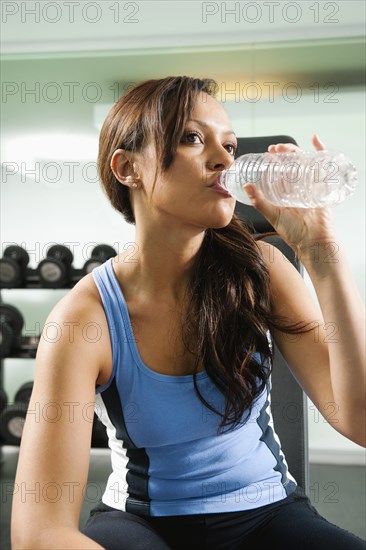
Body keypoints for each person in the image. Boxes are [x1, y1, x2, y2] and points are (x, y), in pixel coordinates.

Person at [11, 76, 365, 550]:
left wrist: (322, 254)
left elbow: (359, 421)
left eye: (230, 144)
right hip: (143, 522)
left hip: (266, 513)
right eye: (193, 138)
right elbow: (38, 533)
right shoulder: (83, 320)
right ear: (128, 168)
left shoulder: (262, 272)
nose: (223, 159)